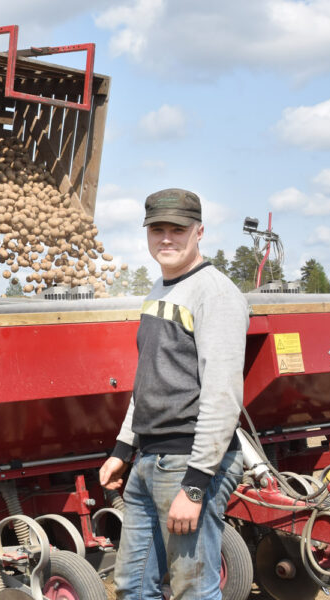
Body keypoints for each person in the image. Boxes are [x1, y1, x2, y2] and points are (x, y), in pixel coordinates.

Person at [98, 189, 248, 600]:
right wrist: (123, 448)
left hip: (187, 463)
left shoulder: (215, 294)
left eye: (177, 230)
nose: (166, 238)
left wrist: (195, 485)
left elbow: (223, 395)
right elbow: (149, 379)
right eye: (157, 229)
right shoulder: (159, 291)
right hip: (149, 460)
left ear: (199, 232)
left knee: (192, 590)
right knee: (132, 587)